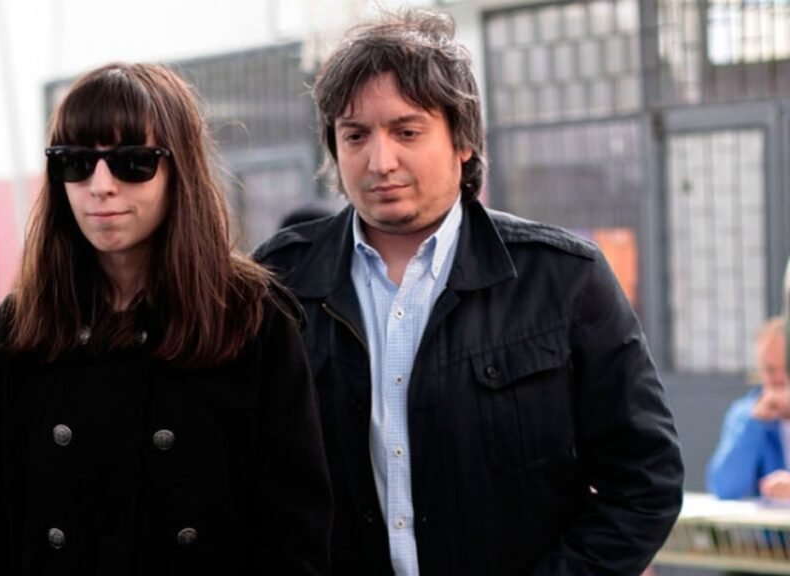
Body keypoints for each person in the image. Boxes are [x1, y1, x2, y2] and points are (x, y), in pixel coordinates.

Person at [254, 10, 683, 575]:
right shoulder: (280, 282)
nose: (380, 161)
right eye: (355, 135)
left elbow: (646, 480)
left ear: (462, 140)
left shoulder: (561, 279)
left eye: (407, 132)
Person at [0, 63, 331, 575]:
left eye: (132, 162)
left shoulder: (250, 319)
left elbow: (295, 534)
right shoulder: (21, 329)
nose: (100, 186)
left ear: (179, 169)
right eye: (76, 162)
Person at [707, 317, 789, 500]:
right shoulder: (745, 415)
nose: (779, 379)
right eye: (770, 370)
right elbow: (725, 488)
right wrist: (755, 422)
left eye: (786, 368)